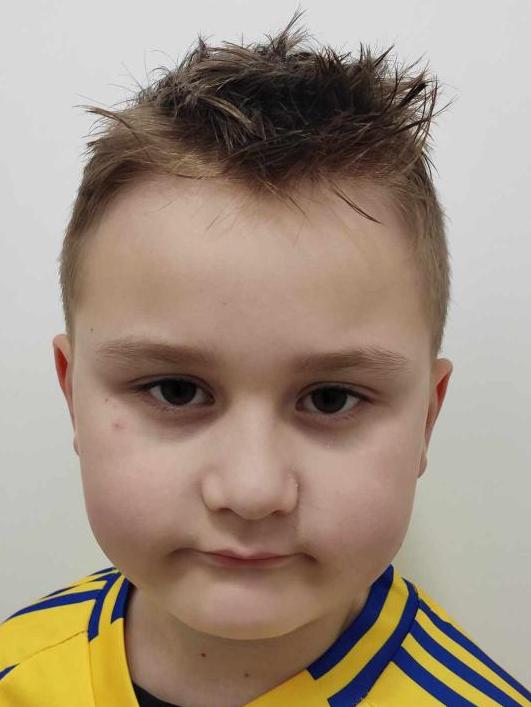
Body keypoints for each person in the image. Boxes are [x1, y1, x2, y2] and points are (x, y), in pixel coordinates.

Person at [0, 10, 529, 707]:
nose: (251, 491)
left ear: (426, 420)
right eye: (177, 390)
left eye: (330, 398)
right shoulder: (15, 667)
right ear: (73, 397)